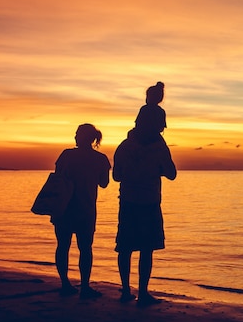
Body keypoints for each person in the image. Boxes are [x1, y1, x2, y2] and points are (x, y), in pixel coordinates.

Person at [113, 115, 177, 307]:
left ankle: (126, 290)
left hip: (128, 201)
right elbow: (172, 174)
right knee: (146, 249)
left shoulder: (124, 146)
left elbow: (116, 176)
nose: (161, 132)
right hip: (149, 201)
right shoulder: (159, 148)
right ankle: (142, 292)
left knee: (125, 248)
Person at [52, 123, 111, 299]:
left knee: (63, 246)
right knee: (85, 248)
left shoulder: (66, 155)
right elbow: (104, 183)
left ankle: (65, 284)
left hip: (64, 207)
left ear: (85, 137)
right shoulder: (100, 159)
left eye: (78, 134)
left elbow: (57, 176)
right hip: (85, 209)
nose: (75, 136)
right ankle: (84, 286)